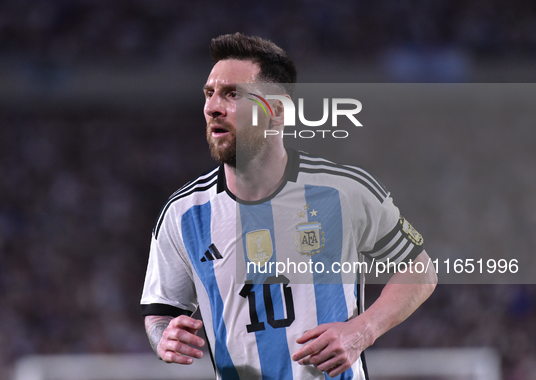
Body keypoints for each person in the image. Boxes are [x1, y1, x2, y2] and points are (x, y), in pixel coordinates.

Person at [141, 33, 437, 380]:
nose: (212, 107)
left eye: (232, 94)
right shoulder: (183, 214)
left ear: (277, 112)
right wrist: (164, 338)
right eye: (209, 94)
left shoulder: (344, 191)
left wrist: (363, 330)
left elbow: (420, 271)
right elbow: (161, 312)